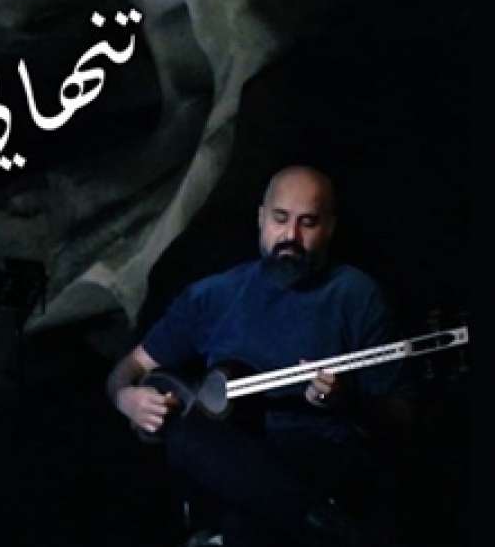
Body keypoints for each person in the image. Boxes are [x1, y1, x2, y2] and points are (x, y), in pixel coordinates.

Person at [106, 165, 409, 546]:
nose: (291, 236)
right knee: (185, 437)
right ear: (261, 218)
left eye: (308, 223)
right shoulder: (213, 296)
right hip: (232, 455)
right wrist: (126, 398)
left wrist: (346, 399)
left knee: (243, 519)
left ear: (330, 228)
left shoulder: (358, 295)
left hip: (319, 456)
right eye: (280, 219)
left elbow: (402, 413)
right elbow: (128, 369)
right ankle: (336, 532)